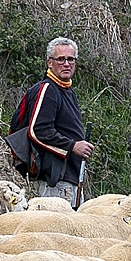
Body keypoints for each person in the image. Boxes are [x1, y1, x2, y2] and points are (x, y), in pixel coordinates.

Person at [12, 37, 94, 205]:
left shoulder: (66, 90)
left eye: (71, 59)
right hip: (55, 179)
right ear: (50, 62)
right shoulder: (48, 89)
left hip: (68, 178)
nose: (66, 64)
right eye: (61, 59)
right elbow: (38, 131)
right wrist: (73, 146)